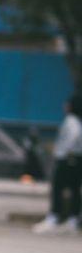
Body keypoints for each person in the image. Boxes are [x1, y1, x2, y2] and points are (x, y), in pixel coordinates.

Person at [33, 94, 82, 234]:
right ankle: (73, 220)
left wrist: (60, 152)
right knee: (74, 190)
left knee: (57, 188)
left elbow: (73, 136)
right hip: (78, 159)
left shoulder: (71, 120)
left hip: (68, 159)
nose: (64, 106)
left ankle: (54, 217)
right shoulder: (78, 120)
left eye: (66, 103)